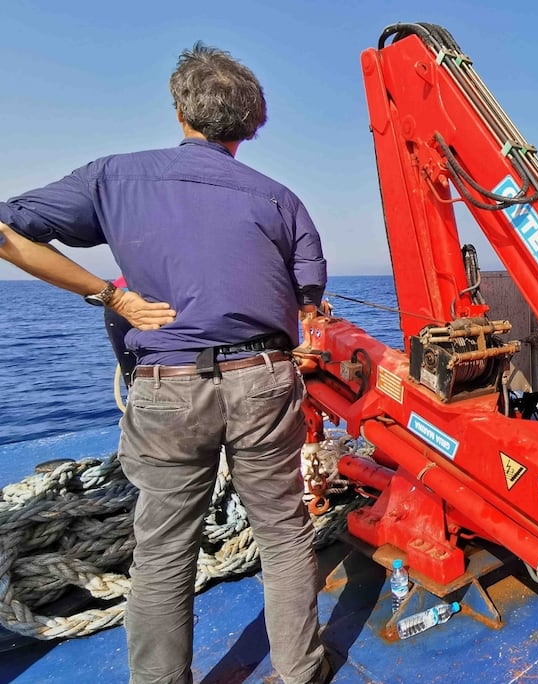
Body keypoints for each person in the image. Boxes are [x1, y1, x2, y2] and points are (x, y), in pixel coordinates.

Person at [0, 44, 330, 684]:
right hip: (264, 380)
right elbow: (308, 303)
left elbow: (8, 231)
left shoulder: (113, 177)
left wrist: (110, 294)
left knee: (163, 551)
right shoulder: (281, 198)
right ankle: (302, 674)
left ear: (181, 111)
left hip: (167, 389)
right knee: (285, 535)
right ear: (251, 125)